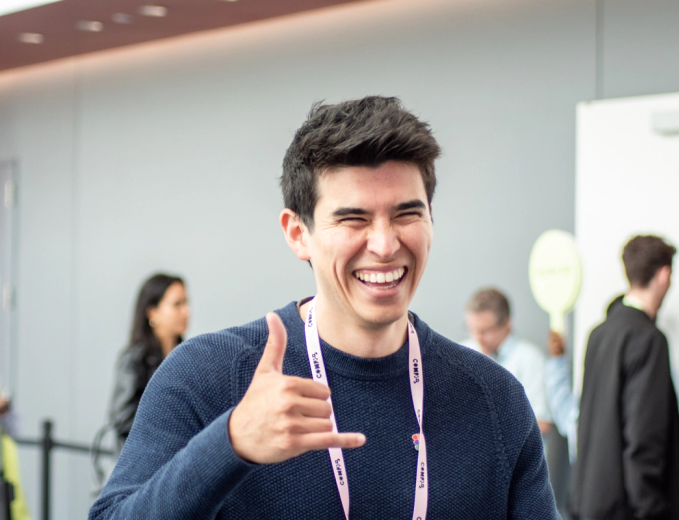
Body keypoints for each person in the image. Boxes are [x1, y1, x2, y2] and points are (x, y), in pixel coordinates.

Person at [89, 96, 559, 519]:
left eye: (406, 214)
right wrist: (229, 444)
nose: (384, 243)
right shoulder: (208, 377)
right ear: (298, 234)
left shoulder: (494, 400)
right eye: (353, 218)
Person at [571, 235, 679, 520]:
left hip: (591, 505)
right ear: (664, 275)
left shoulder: (599, 334)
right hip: (633, 510)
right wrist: (652, 511)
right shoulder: (649, 339)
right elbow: (643, 441)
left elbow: (604, 427)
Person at [108, 273, 189, 449]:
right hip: (146, 462)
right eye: (177, 304)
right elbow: (122, 418)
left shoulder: (187, 356)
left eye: (186, 303)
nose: (186, 312)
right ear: (152, 312)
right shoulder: (134, 359)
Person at [462, 288, 553, 435]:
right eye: (472, 329)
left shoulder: (530, 359)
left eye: (485, 331)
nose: (477, 338)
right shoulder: (462, 353)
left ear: (506, 323)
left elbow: (541, 422)